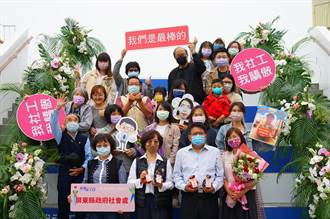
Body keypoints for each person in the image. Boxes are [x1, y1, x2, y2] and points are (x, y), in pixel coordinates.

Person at [50, 95, 93, 219]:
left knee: (80, 206)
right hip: (65, 173)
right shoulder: (60, 136)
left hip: (80, 174)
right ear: (64, 124)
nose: (72, 122)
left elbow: (89, 156)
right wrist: (57, 109)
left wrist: (82, 169)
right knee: (63, 205)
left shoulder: (84, 138)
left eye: (75, 120)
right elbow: (53, 124)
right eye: (69, 120)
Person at [173, 123, 224, 219]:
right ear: (189, 137)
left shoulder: (215, 152)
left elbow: (220, 176)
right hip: (188, 197)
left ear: (206, 135)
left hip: (209, 198)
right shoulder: (181, 153)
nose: (198, 136)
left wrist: (214, 187)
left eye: (201, 133)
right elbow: (176, 176)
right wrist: (184, 187)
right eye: (194, 134)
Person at [128, 130, 174, 219]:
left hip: (160, 202)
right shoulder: (137, 161)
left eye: (156, 141)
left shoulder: (165, 161)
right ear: (144, 143)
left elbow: (171, 183)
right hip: (142, 202)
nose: (152, 144)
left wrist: (161, 185)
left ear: (159, 144)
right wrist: (140, 181)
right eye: (149, 141)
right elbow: (129, 183)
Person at [83, 133, 127, 219]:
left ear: (111, 146)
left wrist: (123, 205)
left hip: (112, 207)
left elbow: (123, 185)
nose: (102, 148)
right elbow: (84, 182)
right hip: (93, 205)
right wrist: (74, 195)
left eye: (105, 145)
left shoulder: (118, 163)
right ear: (95, 148)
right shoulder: (90, 163)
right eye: (99, 146)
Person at [221, 127, 259, 219]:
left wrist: (241, 192)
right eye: (229, 138)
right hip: (230, 195)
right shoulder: (224, 155)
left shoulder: (250, 153)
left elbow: (255, 178)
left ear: (241, 138)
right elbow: (223, 177)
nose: (232, 139)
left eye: (234, 136)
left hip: (247, 194)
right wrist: (230, 192)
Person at [104, 104, 138, 177]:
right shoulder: (102, 132)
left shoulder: (129, 129)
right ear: (107, 116)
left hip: (127, 168)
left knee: (126, 188)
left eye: (119, 114)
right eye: (114, 114)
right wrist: (110, 151)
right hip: (108, 169)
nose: (117, 116)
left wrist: (133, 151)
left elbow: (139, 147)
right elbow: (95, 151)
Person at [145, 101, 180, 166]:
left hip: (167, 163)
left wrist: (169, 163)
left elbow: (175, 147)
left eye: (165, 110)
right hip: (150, 162)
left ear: (169, 112)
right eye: (160, 109)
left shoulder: (174, 128)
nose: (162, 111)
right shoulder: (149, 128)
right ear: (156, 111)